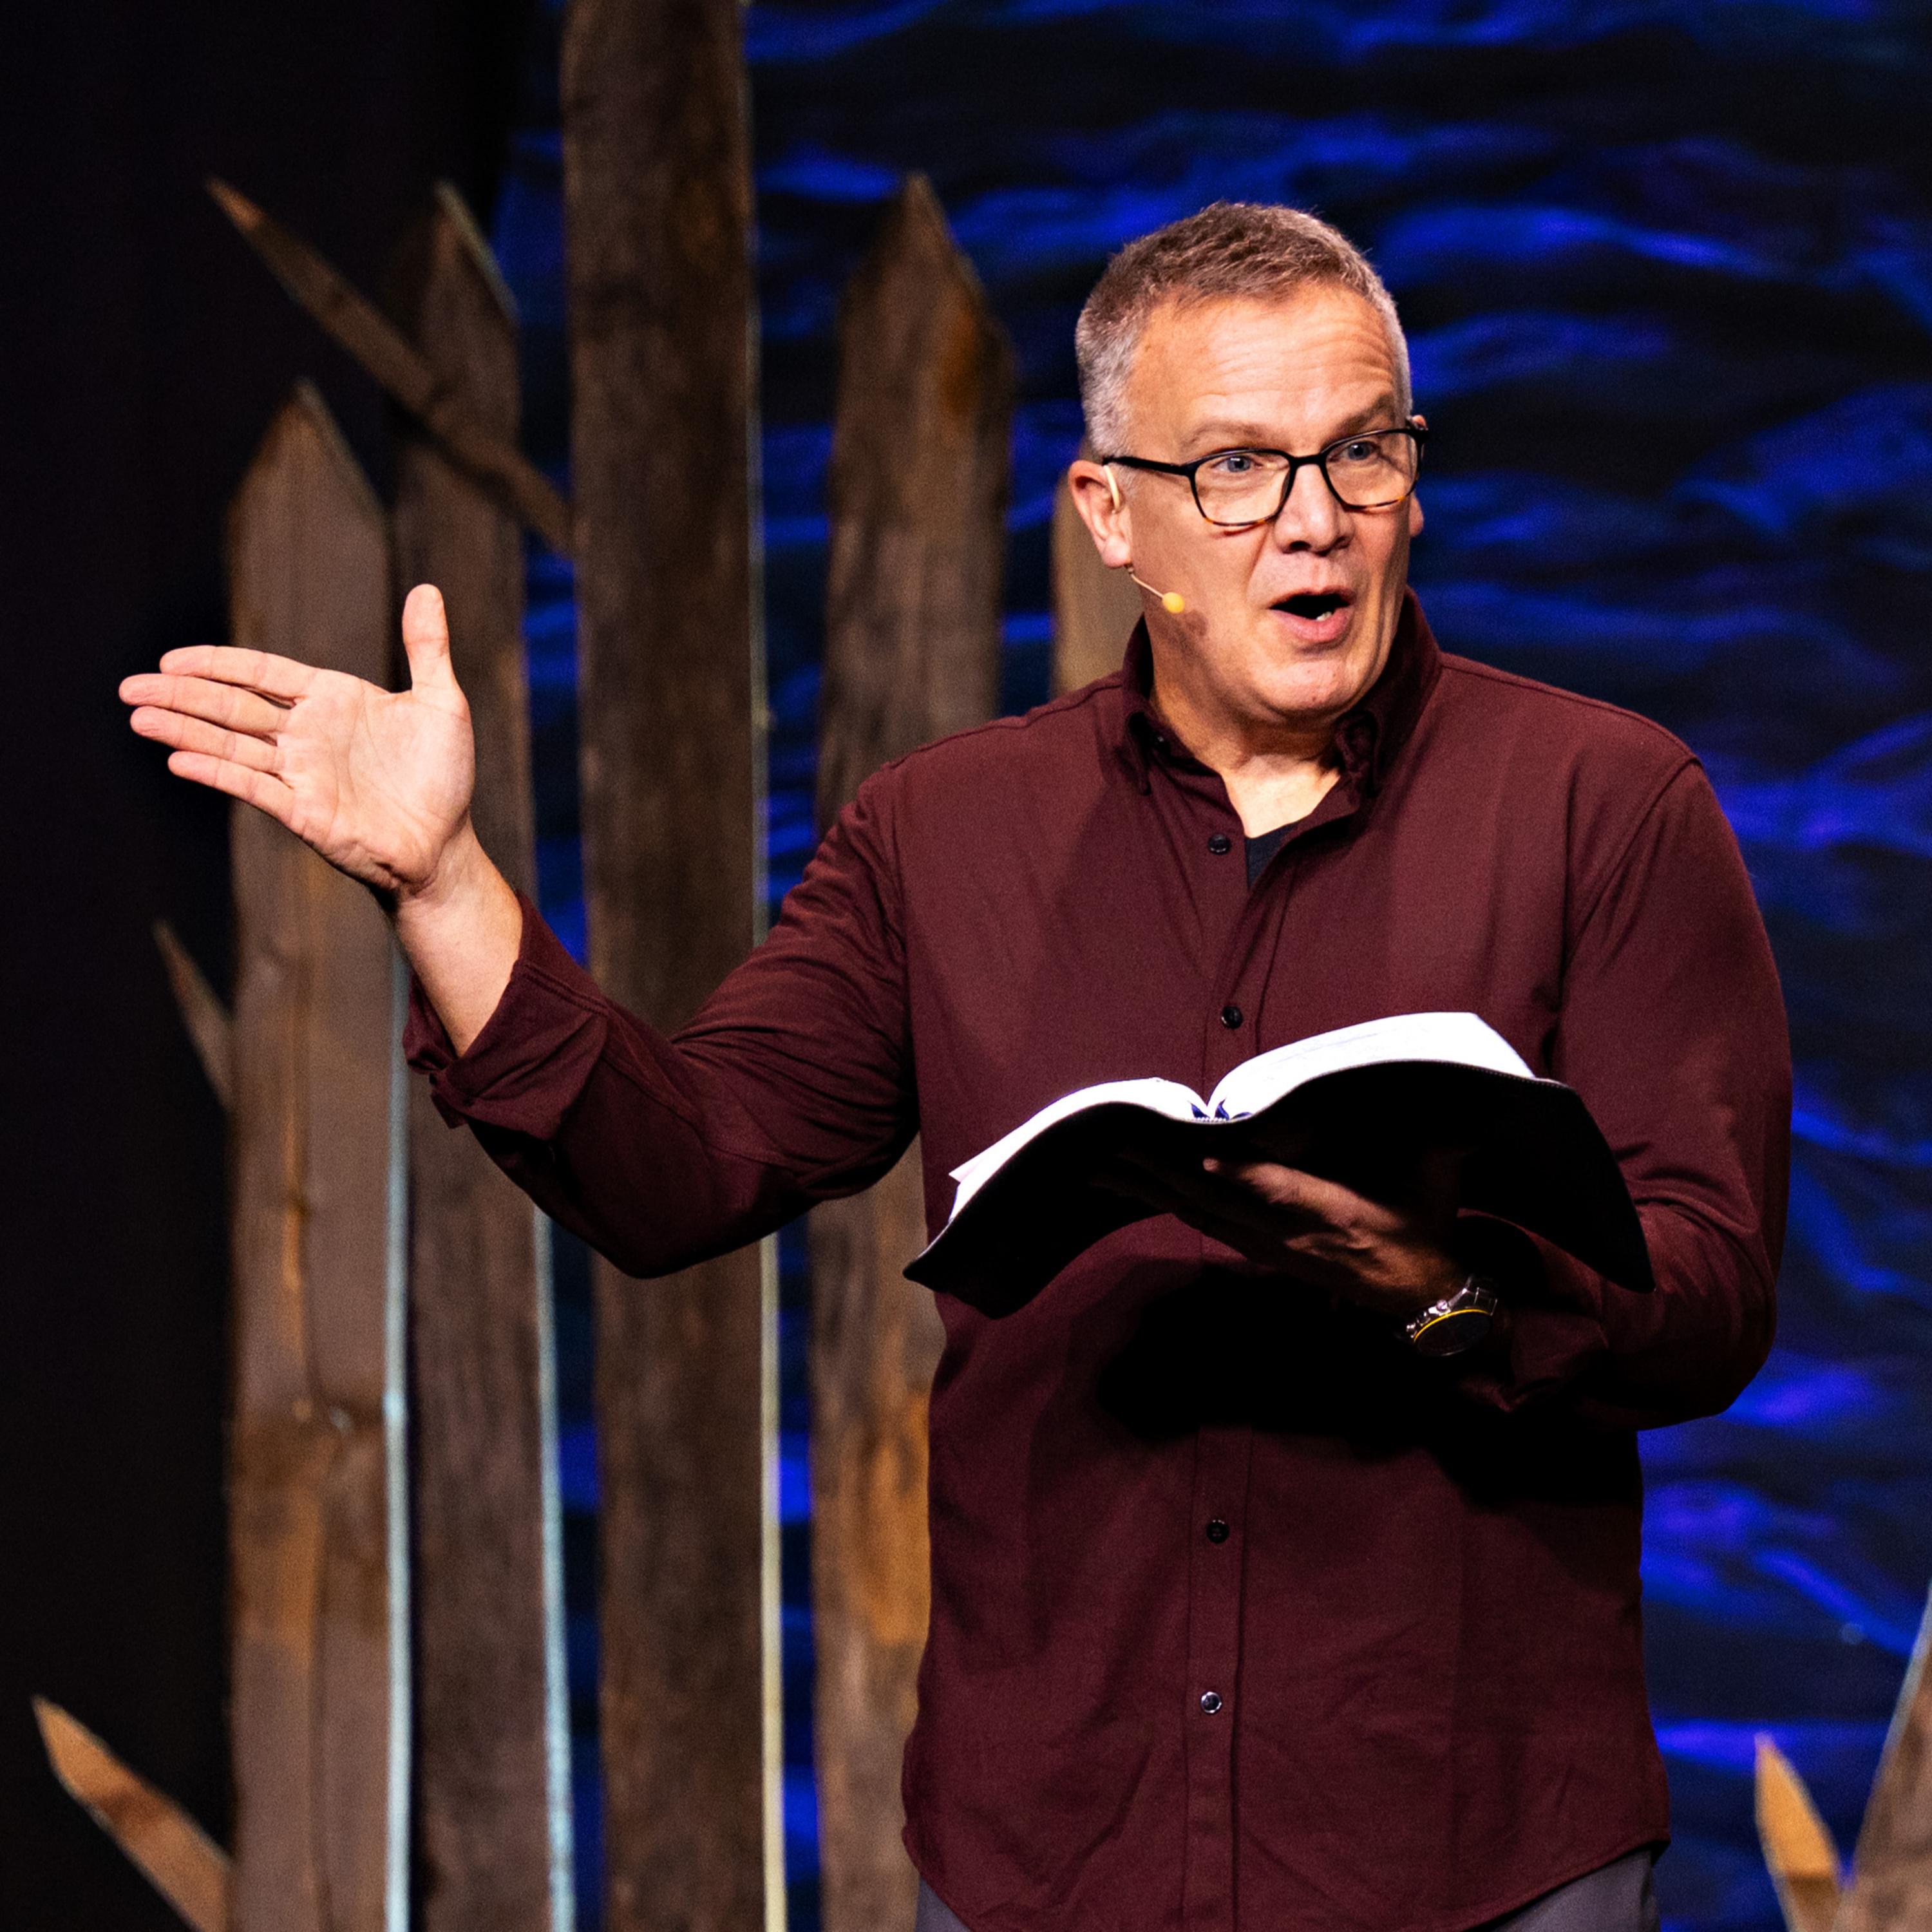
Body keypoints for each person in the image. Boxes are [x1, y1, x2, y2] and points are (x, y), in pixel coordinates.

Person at [122, 203, 1788, 1932]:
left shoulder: (1605, 806)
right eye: (1237, 468)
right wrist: (444, 885)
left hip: (1475, 1857)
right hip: (1051, 1856)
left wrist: (1442, 1292)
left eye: (1362, 452)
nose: (1315, 520)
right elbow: (679, 1170)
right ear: (1112, 514)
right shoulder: (945, 835)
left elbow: (1712, 1294)